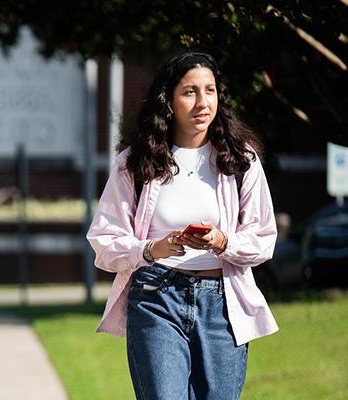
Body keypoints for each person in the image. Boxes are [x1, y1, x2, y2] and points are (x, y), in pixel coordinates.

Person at [87, 52, 278, 400]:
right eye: (190, 92)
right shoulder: (135, 162)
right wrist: (150, 249)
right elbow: (104, 236)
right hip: (156, 296)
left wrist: (222, 242)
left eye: (210, 90)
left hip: (222, 303)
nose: (202, 103)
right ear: (169, 101)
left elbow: (263, 238)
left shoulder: (241, 160)